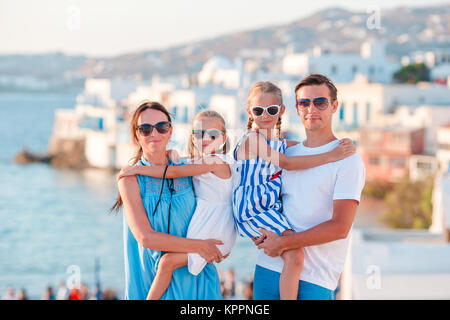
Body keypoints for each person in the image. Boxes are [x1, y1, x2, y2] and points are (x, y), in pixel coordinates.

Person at [232, 81, 356, 300]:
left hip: (317, 278)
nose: (264, 115)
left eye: (271, 110)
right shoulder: (254, 140)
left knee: (294, 257)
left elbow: (340, 227)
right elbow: (287, 163)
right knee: (295, 257)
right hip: (256, 212)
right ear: (249, 112)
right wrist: (331, 156)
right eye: (258, 110)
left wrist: (343, 145)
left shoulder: (284, 145)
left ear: (281, 111)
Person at [118, 110, 237, 300]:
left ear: (170, 131)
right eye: (145, 129)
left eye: (161, 127)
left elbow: (173, 172)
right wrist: (201, 246)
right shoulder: (131, 179)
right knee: (166, 263)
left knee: (169, 263)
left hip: (200, 278)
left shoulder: (191, 168)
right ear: (135, 134)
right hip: (153, 276)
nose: (154, 134)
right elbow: (145, 238)